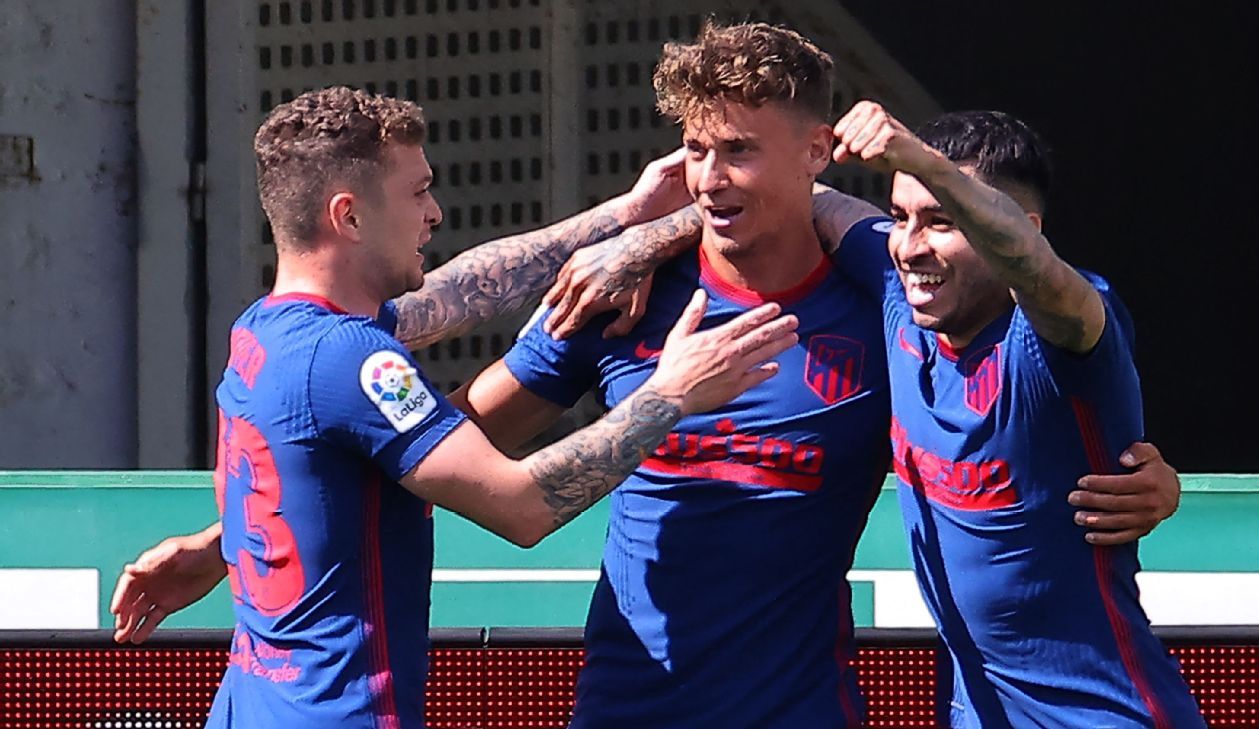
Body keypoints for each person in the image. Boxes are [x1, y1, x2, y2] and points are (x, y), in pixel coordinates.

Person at [114, 24, 1182, 728]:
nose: (712, 177)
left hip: (800, 710)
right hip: (627, 704)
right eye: (698, 150)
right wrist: (229, 536)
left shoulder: (882, 295)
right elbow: (445, 443)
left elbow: (1040, 353)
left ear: (817, 152)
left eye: (742, 151)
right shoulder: (621, 296)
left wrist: (1153, 473)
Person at [124, 84, 799, 729]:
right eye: (417, 191)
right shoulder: (353, 360)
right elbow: (521, 506)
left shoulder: (264, 331)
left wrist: (626, 215)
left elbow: (463, 291)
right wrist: (671, 393)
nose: (435, 213)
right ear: (349, 216)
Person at [822, 101, 1205, 726]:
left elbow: (1038, 271)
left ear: (1023, 227)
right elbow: (799, 201)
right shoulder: (899, 301)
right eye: (900, 216)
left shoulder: (1055, 336)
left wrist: (922, 160)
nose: (910, 247)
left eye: (942, 221)